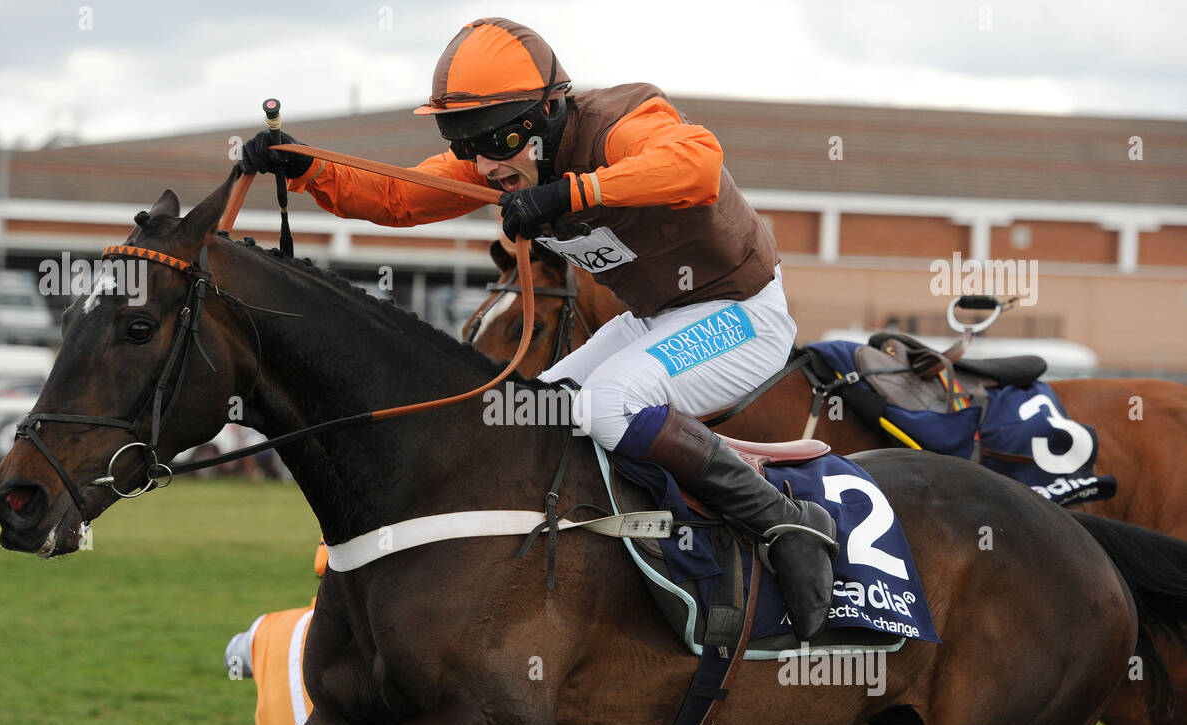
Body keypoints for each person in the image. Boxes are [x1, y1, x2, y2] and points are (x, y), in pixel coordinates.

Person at [239, 17, 838, 639]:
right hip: (655, 320)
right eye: (466, 145)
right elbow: (400, 197)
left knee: (608, 402)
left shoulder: (622, 124)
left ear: (544, 114)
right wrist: (307, 169)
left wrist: (574, 193)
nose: (483, 165)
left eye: (492, 143)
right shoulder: (502, 155)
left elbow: (699, 164)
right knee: (524, 412)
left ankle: (788, 525)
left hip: (743, 315)